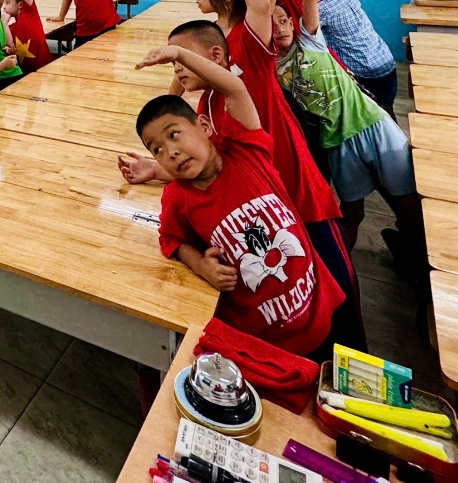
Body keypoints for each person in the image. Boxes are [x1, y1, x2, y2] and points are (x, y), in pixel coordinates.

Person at [131, 47, 348, 362]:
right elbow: (171, 239)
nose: (171, 152)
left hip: (317, 309)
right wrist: (201, 265)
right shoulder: (178, 197)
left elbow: (236, 88)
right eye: (157, 150)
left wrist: (180, 54)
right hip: (262, 341)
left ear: (205, 126)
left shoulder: (247, 151)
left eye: (174, 135)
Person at [271, 0, 425, 269]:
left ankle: (418, 261)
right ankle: (338, 272)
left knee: (408, 204)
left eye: (284, 20)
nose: (280, 28)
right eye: (272, 24)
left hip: (372, 124)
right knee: (351, 213)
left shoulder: (310, 39)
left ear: (293, 21)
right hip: (337, 142)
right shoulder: (272, 66)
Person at [312, 0, 398, 117]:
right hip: (386, 61)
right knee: (387, 109)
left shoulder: (320, 11)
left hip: (364, 72)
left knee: (370, 117)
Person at [0, 0, 53, 73]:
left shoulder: (29, 13)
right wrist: (4, 23)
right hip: (27, 74)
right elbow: (10, 45)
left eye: (7, 2)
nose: (4, 7)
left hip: (45, 67)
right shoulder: (10, 28)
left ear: (20, 4)